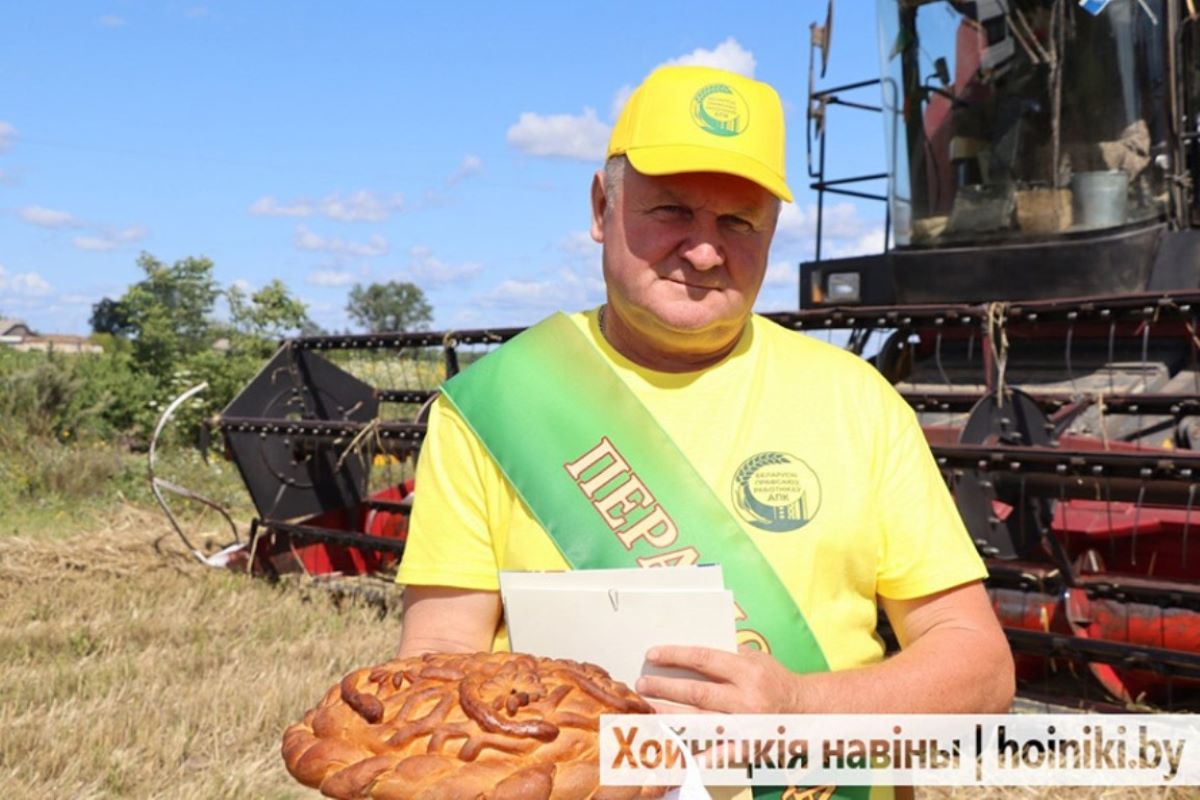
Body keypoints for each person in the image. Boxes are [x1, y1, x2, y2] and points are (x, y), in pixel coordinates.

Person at [396, 64, 1013, 728]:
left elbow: (980, 668)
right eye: (672, 211)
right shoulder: (498, 405)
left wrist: (801, 709)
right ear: (602, 208)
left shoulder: (859, 403)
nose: (704, 251)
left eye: (739, 222)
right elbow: (438, 658)